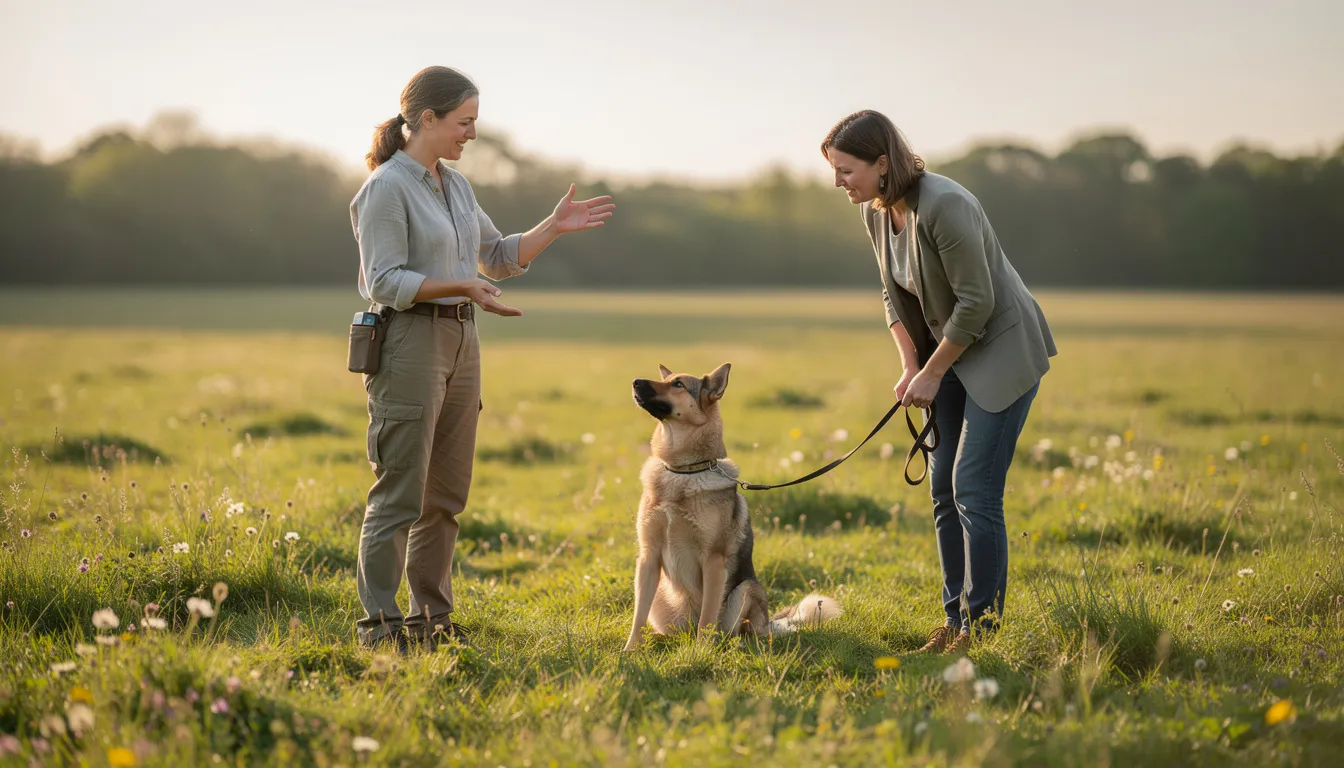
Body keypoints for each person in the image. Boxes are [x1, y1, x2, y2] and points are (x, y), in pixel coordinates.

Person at [350, 66, 614, 651]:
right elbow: (385, 279)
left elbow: (494, 255)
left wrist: (553, 226)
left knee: (445, 495)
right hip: (409, 343)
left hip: (463, 343)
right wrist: (461, 287)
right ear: (427, 119)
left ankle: (432, 621)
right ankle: (380, 628)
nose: (471, 134)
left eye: (474, 123)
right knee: (400, 491)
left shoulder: (457, 186)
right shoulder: (386, 188)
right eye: (464, 123)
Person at [821, 110, 1056, 654]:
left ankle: (982, 632)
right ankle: (953, 624)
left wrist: (931, 371)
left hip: (997, 349)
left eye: (846, 170)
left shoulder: (946, 205)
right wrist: (911, 366)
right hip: (942, 353)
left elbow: (977, 303)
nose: (838, 183)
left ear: (883, 163)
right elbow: (892, 295)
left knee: (974, 489)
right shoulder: (877, 211)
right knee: (942, 489)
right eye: (834, 171)